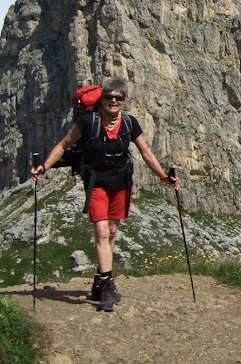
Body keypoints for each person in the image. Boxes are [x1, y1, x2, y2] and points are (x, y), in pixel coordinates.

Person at [31, 77, 180, 312]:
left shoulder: (130, 124)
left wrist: (163, 176)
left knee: (111, 232)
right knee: (101, 231)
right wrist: (44, 167)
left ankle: (99, 282)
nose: (113, 101)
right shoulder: (88, 121)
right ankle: (108, 284)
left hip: (121, 183)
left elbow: (146, 153)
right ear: (102, 99)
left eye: (118, 98)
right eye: (109, 97)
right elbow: (63, 145)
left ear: (123, 101)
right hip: (96, 183)